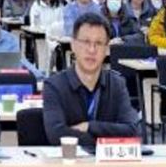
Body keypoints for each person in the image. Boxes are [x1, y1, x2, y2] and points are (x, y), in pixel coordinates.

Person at [43, 12, 145, 150]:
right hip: (70, 162)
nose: (92, 50)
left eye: (98, 43)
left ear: (107, 49)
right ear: (73, 45)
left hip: (109, 163)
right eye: (86, 42)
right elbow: (57, 135)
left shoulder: (117, 84)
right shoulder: (54, 86)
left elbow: (132, 130)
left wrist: (90, 127)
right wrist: (107, 139)